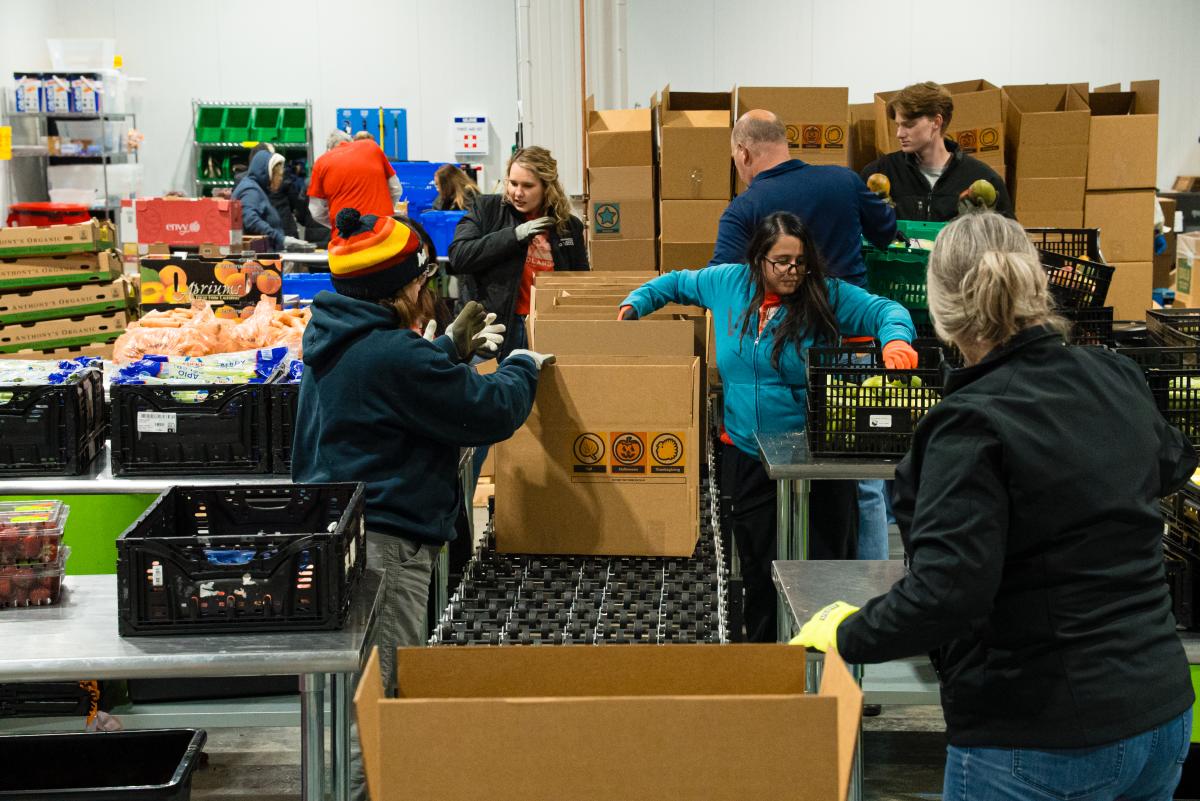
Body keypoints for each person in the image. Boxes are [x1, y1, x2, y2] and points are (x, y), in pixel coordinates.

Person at [793, 211, 1197, 801]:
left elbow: (948, 594)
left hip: (1041, 735)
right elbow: (1170, 463)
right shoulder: (1114, 374)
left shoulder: (968, 424)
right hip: (1159, 715)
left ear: (940, 308)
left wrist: (851, 634)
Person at [620, 212, 917, 643]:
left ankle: (839, 671)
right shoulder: (726, 284)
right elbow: (676, 282)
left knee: (826, 570)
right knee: (760, 566)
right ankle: (768, 665)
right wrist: (636, 303)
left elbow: (886, 310)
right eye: (781, 262)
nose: (793, 272)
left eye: (800, 262)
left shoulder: (826, 294)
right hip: (748, 452)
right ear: (758, 259)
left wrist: (895, 340)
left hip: (814, 455)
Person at [716, 109, 897, 565]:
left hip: (787, 352)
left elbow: (728, 279)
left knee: (788, 476)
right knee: (864, 485)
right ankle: (865, 592)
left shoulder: (745, 208)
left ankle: (786, 578)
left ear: (743, 152)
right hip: (852, 358)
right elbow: (887, 232)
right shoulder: (844, 180)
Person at [447, 145, 588, 360]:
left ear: (546, 187)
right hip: (493, 329)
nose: (517, 193)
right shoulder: (486, 210)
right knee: (488, 389)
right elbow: (460, 256)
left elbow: (580, 281)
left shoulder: (568, 226)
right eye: (513, 183)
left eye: (528, 186)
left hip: (545, 326)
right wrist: (514, 236)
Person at [861, 81, 1013, 221]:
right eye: (898, 125)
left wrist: (984, 223)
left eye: (908, 125)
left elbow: (1011, 243)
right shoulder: (879, 172)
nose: (899, 134)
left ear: (936, 122)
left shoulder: (983, 178)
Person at [307, 130, 402, 230]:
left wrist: (339, 225)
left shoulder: (321, 162)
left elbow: (316, 211)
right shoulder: (373, 148)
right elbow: (396, 189)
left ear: (329, 149)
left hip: (346, 236)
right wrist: (386, 212)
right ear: (351, 141)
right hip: (382, 229)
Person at [231, 149, 303, 251]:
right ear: (269, 173)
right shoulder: (251, 190)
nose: (280, 179)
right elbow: (251, 220)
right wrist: (281, 239)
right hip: (258, 257)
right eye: (279, 175)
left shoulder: (257, 188)